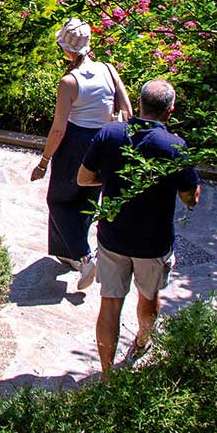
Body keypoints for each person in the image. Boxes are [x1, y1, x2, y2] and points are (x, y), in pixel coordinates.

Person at [76, 79, 201, 373]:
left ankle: (107, 374)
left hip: (112, 236)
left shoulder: (110, 134)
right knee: (149, 296)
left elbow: (84, 178)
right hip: (153, 241)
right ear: (170, 111)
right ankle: (142, 342)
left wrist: (110, 180)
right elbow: (190, 200)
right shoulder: (174, 146)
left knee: (110, 303)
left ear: (139, 102)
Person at [31, 18, 131, 276]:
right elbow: (128, 111)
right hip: (105, 141)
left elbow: (58, 129)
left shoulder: (69, 82)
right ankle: (70, 253)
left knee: (59, 199)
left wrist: (44, 162)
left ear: (67, 49)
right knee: (87, 198)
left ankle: (83, 256)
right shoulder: (108, 69)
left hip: (76, 142)